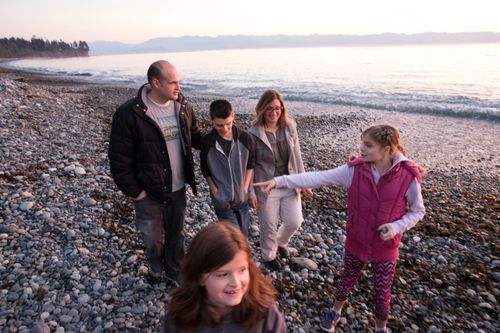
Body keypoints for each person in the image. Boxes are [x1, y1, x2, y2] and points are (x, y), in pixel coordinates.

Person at [254, 124, 425, 333]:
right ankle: (335, 311)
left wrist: (396, 227)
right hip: (356, 241)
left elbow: (417, 211)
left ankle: (381, 327)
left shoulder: (407, 176)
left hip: (386, 248)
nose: (361, 148)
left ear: (387, 149)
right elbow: (317, 177)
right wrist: (279, 181)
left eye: (368, 145)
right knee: (346, 281)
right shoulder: (354, 170)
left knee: (382, 294)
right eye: (362, 143)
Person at [109, 60, 202, 285]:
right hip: (148, 190)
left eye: (179, 81)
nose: (178, 87)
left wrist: (225, 134)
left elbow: (195, 135)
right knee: (153, 238)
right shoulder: (129, 113)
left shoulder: (183, 106)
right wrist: (136, 192)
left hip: (177, 187)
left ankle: (174, 270)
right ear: (155, 82)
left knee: (176, 234)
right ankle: (155, 264)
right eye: (173, 82)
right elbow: (119, 159)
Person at [160, 222, 287, 333]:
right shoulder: (180, 317)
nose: (235, 283)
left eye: (242, 270)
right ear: (199, 277)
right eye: (223, 274)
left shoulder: (265, 313)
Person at [248, 90, 312, 270]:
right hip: (265, 187)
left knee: (295, 221)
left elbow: (297, 156)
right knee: (268, 225)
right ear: (261, 109)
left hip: (289, 182)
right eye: (269, 109)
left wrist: (304, 182)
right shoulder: (253, 133)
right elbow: (249, 166)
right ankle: (268, 255)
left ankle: (281, 242)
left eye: (278, 108)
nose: (274, 112)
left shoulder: (289, 127)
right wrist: (250, 192)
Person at [200, 99, 255, 237]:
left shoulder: (245, 138)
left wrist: (245, 188)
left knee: (244, 235)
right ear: (211, 120)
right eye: (219, 125)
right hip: (222, 200)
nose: (224, 129)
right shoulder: (207, 142)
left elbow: (250, 165)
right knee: (234, 236)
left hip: (241, 197)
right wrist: (214, 189)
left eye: (228, 124)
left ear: (233, 116)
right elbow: (205, 168)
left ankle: (242, 258)